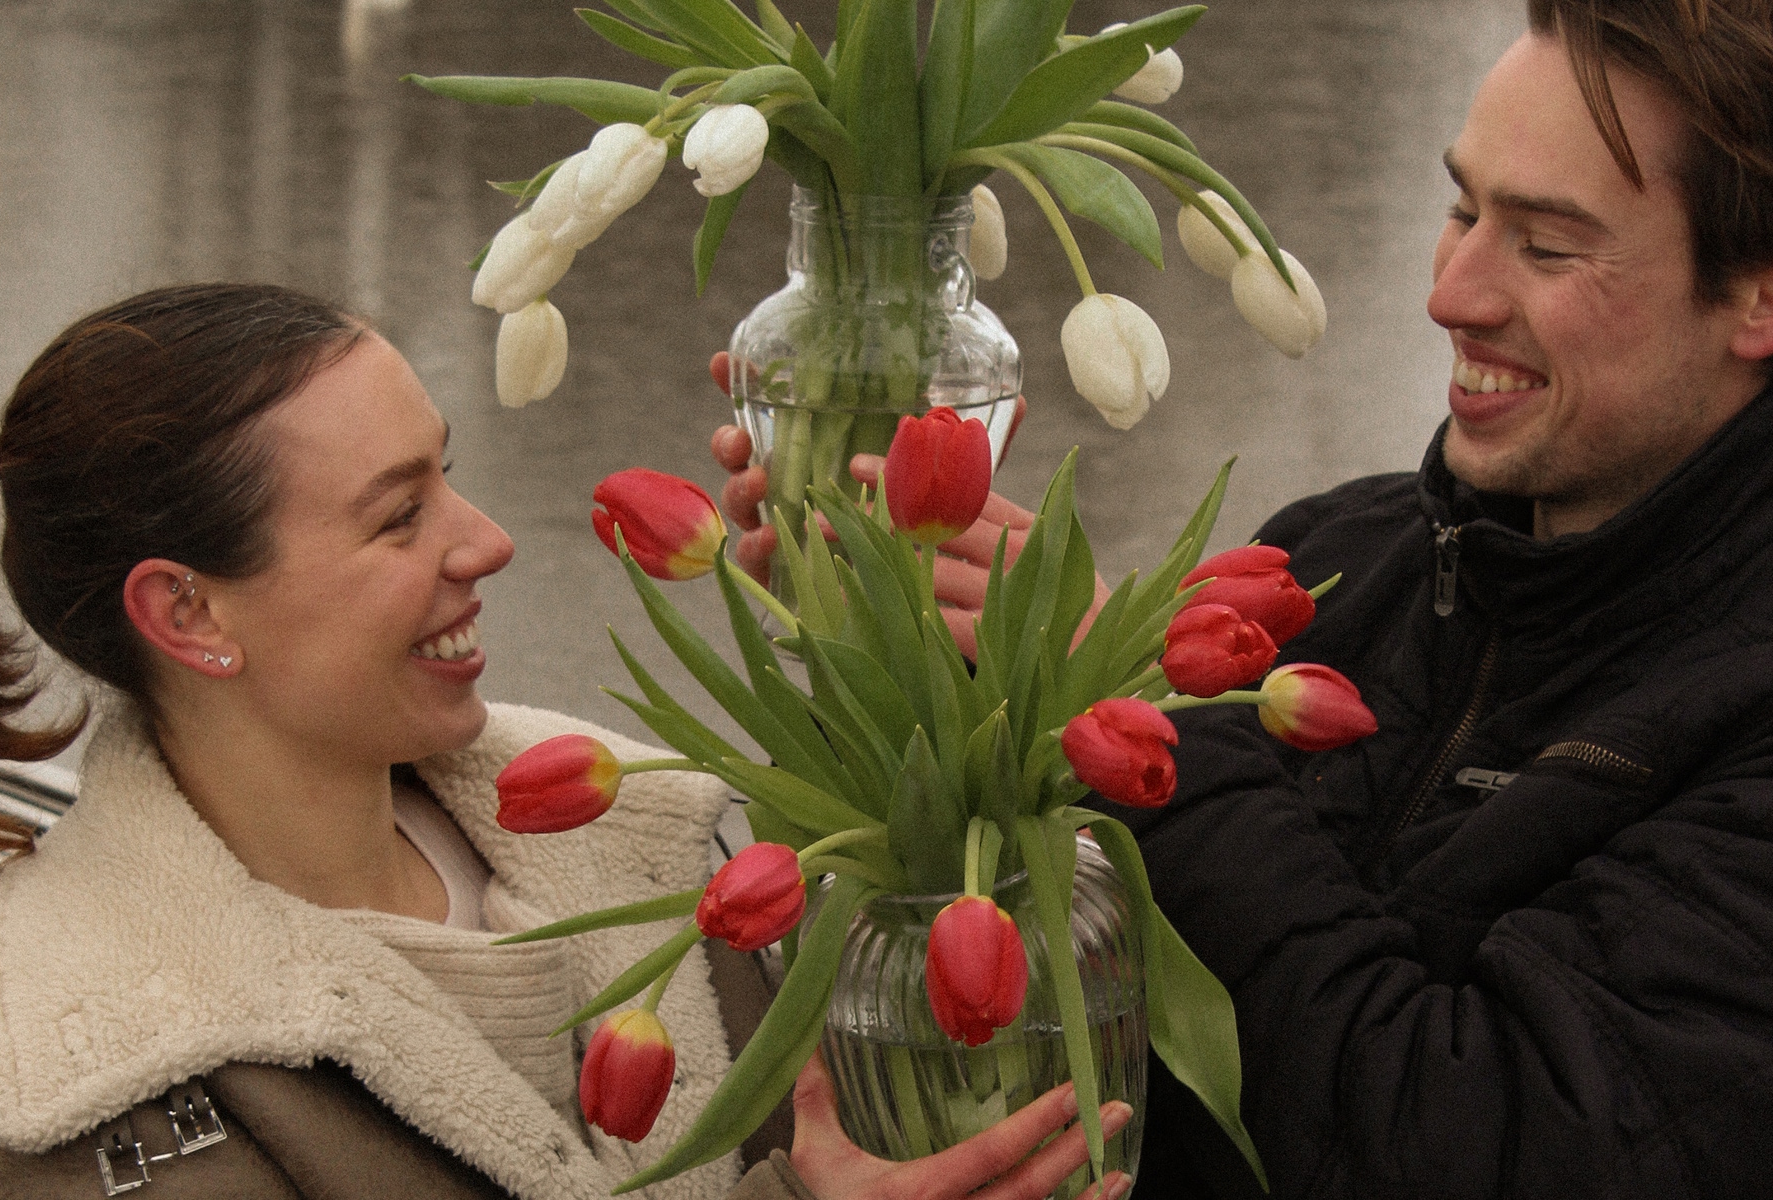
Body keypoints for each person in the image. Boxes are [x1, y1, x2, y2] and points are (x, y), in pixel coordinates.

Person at [715, 1, 1773, 1194]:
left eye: (1547, 246)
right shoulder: (1336, 558)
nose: (1452, 295)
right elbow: (1045, 985)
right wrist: (907, 643)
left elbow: (1483, 1140)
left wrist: (1147, 722)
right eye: (1464, 210)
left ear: (1757, 299)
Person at [0, 284, 1131, 1199]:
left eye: (449, 479)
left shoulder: (644, 832)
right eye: (398, 516)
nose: (486, 542)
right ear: (189, 613)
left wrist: (919, 643)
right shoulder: (75, 1068)